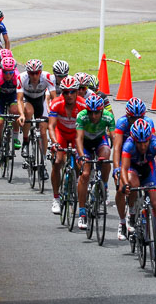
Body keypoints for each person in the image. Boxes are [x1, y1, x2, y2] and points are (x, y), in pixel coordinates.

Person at [121, 119, 156, 259]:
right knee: (134, 184)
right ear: (134, 140)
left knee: (155, 204)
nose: (143, 146)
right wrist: (126, 185)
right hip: (133, 169)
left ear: (150, 138)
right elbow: (124, 169)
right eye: (139, 142)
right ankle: (132, 213)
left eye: (145, 142)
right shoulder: (128, 145)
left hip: (148, 169)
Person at [112, 97, 156, 240]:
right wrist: (116, 169)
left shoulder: (148, 123)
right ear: (128, 116)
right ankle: (122, 222)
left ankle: (136, 215)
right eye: (133, 118)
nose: (136, 120)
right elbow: (117, 148)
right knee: (122, 188)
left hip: (142, 157)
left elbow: (154, 146)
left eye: (140, 117)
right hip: (127, 158)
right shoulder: (122, 123)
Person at [47, 76, 87, 214]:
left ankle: (76, 186)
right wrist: (55, 143)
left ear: (77, 92)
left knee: (79, 163)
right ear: (62, 93)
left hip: (76, 135)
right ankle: (56, 198)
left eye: (72, 92)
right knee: (57, 161)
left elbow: (86, 128)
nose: (69, 95)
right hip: (61, 134)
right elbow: (51, 126)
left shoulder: (83, 105)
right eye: (65, 92)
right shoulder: (56, 103)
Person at [75, 94, 115, 230]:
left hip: (100, 141)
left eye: (97, 112)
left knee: (106, 156)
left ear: (102, 111)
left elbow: (114, 138)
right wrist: (81, 156)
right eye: (91, 112)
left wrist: (117, 156)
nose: (93, 116)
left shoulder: (108, 117)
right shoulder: (81, 116)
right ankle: (82, 213)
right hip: (85, 144)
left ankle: (103, 185)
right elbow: (79, 139)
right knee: (85, 174)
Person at [16, 59, 56, 162]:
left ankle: (42, 161)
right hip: (27, 99)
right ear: (28, 73)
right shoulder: (21, 78)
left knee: (43, 130)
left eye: (37, 73)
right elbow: (19, 99)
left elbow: (54, 98)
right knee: (28, 112)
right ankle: (25, 141)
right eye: (31, 73)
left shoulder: (47, 77)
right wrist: (21, 115)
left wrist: (55, 115)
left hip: (40, 100)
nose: (34, 76)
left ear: (40, 72)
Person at [0, 57, 26, 168]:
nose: (8, 75)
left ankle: (15, 137)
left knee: (15, 111)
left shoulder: (17, 77)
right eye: (6, 72)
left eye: (11, 72)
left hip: (12, 97)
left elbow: (20, 96)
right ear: (2, 70)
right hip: (0, 98)